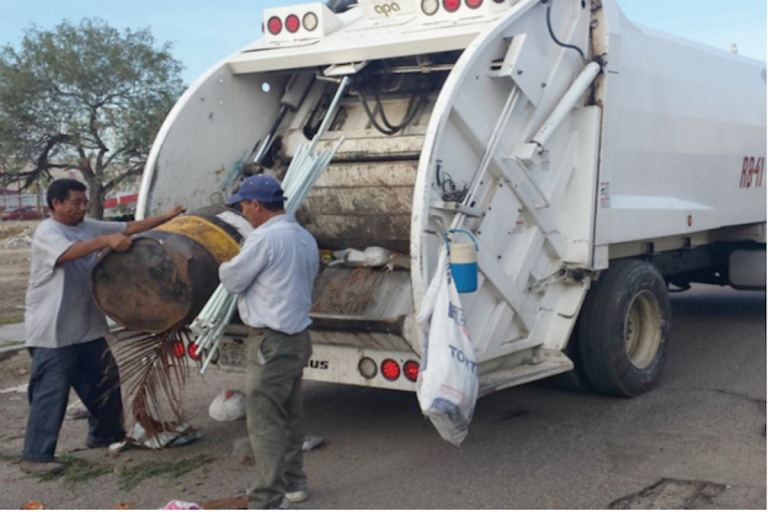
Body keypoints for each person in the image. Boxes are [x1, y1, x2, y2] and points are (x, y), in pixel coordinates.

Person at [20, 178, 185, 476]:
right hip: (52, 332)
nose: (82, 208)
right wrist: (106, 241)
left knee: (105, 383)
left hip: (86, 327)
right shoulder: (48, 232)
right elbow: (69, 252)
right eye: (76, 203)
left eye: (84, 203)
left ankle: (105, 435)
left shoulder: (87, 226)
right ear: (56, 203)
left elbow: (129, 227)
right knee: (51, 393)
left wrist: (169, 216)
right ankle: (36, 456)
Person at [219, 175, 319, 510]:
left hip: (271, 343)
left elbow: (232, 279)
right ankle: (294, 484)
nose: (243, 212)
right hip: (296, 339)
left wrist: (224, 264)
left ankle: (267, 499)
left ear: (256, 204)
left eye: (244, 205)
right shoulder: (303, 236)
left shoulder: (264, 238)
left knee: (264, 421)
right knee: (289, 415)